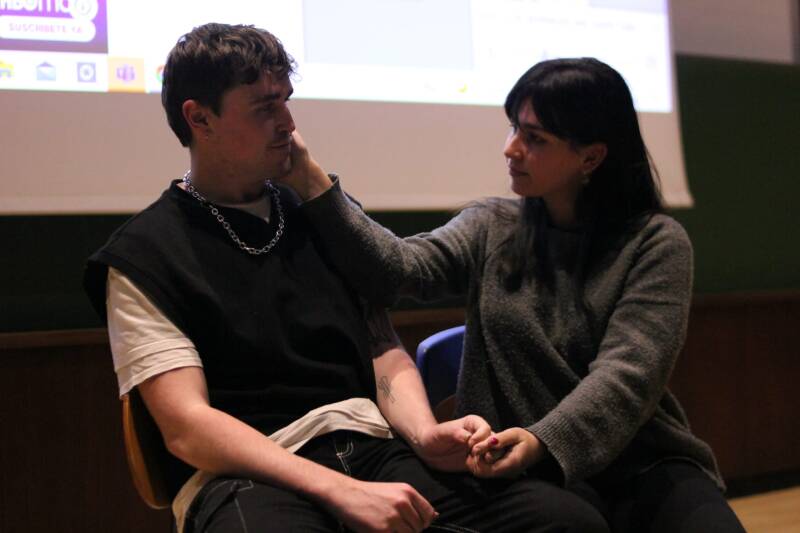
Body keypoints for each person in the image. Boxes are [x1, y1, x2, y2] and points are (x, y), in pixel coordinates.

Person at [84, 24, 608, 533]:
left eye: (287, 100)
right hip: (249, 473)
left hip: (374, 448)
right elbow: (186, 427)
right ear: (200, 119)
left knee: (565, 521)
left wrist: (425, 435)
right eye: (266, 107)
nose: (288, 123)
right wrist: (337, 489)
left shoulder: (318, 215)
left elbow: (381, 345)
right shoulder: (143, 255)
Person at [284, 58, 746, 532]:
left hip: (641, 463)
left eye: (535, 139)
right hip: (511, 467)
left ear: (591, 157)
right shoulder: (492, 226)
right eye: (513, 129)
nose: (510, 149)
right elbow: (399, 271)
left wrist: (543, 440)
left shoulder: (656, 244)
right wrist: (312, 182)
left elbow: (626, 377)